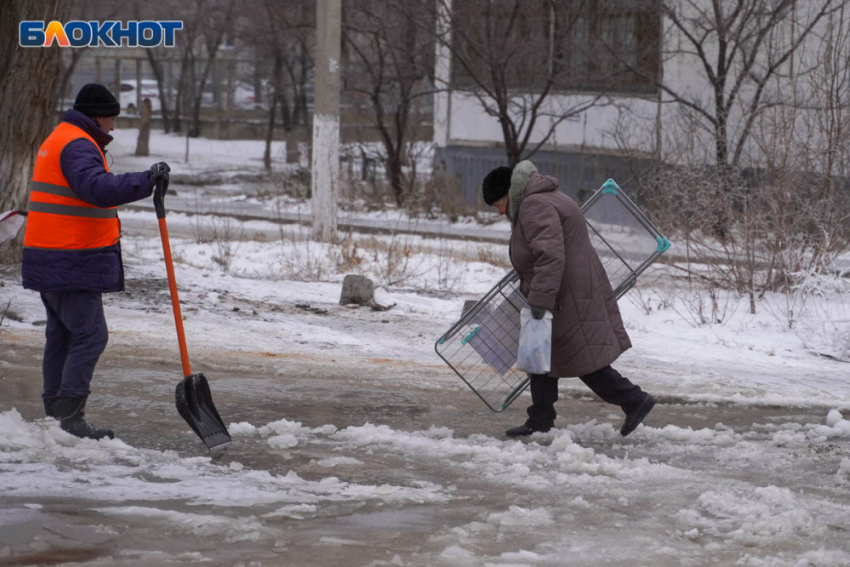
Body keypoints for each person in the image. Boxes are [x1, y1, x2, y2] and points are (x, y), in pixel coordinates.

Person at [22, 83, 171, 440]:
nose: (113, 128)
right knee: (90, 335)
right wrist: (144, 180)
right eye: (111, 119)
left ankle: (56, 411)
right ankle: (70, 416)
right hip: (69, 255)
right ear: (97, 116)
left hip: (52, 253)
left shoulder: (62, 137)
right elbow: (97, 189)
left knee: (62, 335)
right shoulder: (77, 145)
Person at [482, 161, 656, 438]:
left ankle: (634, 399)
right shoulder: (547, 197)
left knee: (584, 362)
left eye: (497, 204)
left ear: (507, 194)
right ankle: (540, 420)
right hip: (568, 290)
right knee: (540, 358)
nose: (500, 211)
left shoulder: (533, 206)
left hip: (565, 295)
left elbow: (550, 255)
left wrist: (540, 298)